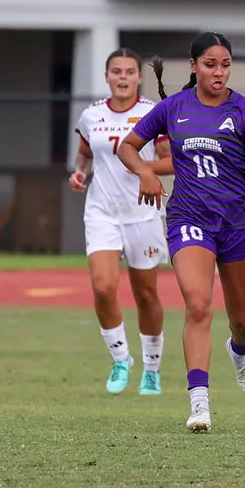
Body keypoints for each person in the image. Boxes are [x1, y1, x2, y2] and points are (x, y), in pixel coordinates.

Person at [117, 32, 245, 433]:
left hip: (238, 225)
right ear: (193, 66)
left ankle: (239, 351)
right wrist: (145, 172)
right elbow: (127, 147)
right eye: (210, 65)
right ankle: (199, 404)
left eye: (225, 65)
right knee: (199, 306)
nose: (218, 72)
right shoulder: (173, 108)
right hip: (189, 219)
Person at [70, 48, 172, 396]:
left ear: (139, 77)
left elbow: (170, 160)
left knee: (146, 295)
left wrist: (143, 170)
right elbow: (84, 153)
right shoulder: (91, 115)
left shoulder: (152, 113)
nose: (123, 77)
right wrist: (79, 173)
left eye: (130, 71)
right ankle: (120, 358)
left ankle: (152, 369)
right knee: (102, 287)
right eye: (117, 71)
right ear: (107, 76)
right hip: (102, 211)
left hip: (143, 212)